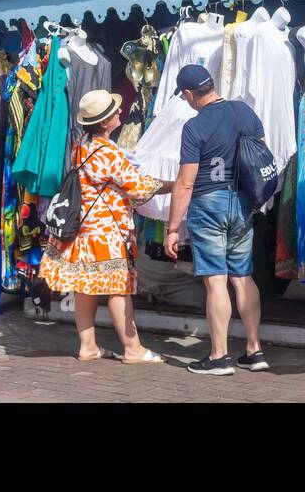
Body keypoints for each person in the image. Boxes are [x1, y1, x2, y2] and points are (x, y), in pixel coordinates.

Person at [38, 89, 173, 363]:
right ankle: (133, 348)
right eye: (115, 111)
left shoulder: (81, 145)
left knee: (85, 286)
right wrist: (177, 184)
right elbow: (140, 188)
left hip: (82, 231)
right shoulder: (108, 153)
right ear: (104, 122)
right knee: (117, 288)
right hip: (107, 233)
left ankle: (88, 346)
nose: (120, 113)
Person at [165, 64, 269, 375]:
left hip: (209, 203)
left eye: (184, 98)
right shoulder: (243, 111)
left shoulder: (195, 127)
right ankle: (254, 350)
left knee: (216, 280)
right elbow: (261, 151)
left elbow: (185, 182)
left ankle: (219, 356)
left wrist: (172, 229)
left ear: (188, 94)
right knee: (242, 277)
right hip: (241, 201)